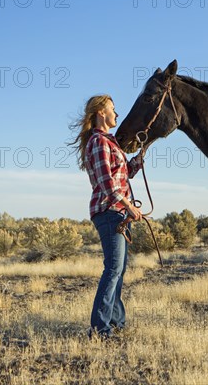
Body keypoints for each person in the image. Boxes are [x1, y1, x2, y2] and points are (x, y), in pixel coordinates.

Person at [70, 94, 143, 339]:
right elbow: (107, 185)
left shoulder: (109, 143)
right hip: (110, 212)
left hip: (118, 213)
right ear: (101, 112)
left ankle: (116, 322)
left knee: (118, 270)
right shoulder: (99, 142)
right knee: (113, 269)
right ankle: (100, 327)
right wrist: (129, 206)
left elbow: (121, 175)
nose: (117, 114)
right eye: (113, 109)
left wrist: (136, 162)